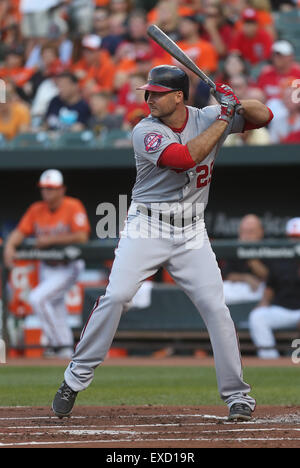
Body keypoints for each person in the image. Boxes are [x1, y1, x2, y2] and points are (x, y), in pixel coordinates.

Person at [52, 64, 273, 422]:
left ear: (178, 96)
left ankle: (237, 397)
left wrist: (237, 102)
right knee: (118, 296)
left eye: (156, 93)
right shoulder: (146, 130)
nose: (148, 98)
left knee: (217, 309)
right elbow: (185, 158)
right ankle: (73, 380)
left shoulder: (209, 115)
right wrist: (225, 118)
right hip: (147, 225)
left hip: (191, 231)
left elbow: (266, 116)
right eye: (148, 92)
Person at [3, 169, 91, 358]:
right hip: (47, 267)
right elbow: (20, 232)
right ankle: (67, 353)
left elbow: (82, 236)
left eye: (51, 188)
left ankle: (58, 344)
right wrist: (10, 245)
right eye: (44, 188)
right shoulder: (36, 209)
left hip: (69, 265)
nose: (47, 192)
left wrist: (51, 240)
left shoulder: (72, 205)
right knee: (56, 307)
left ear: (62, 189)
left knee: (38, 298)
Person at [249, 218, 300, 359]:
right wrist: (263, 303)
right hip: (282, 309)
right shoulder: (281, 258)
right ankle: (270, 360)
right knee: (257, 317)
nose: (296, 241)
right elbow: (270, 286)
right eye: (294, 237)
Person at [222, 214, 269, 305]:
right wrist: (245, 278)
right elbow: (227, 274)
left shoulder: (269, 247)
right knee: (221, 290)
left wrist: (249, 254)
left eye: (251, 232)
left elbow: (268, 276)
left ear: (260, 232)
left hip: (261, 288)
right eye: (243, 232)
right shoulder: (234, 247)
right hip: (240, 286)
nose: (246, 236)